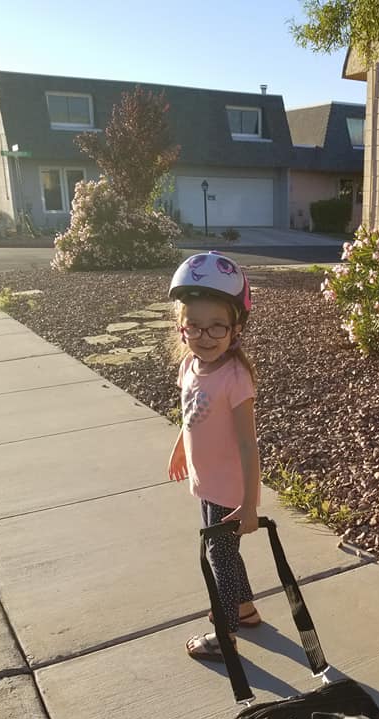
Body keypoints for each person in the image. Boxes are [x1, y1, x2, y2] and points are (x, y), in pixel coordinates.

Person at [167, 252, 261, 661]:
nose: (205, 336)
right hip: (207, 481)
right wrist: (180, 447)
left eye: (217, 326)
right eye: (194, 325)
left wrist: (250, 504)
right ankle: (244, 608)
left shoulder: (235, 378)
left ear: (236, 328)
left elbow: (248, 444)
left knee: (218, 556)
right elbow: (190, 415)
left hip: (230, 489)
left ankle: (226, 636)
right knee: (225, 552)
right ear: (181, 326)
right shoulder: (190, 365)